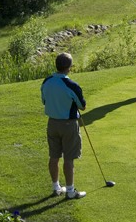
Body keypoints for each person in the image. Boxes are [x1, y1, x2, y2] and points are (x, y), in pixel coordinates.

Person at [41, 53, 87, 199]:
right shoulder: (72, 85)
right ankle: (70, 191)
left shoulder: (47, 81)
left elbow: (44, 101)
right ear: (69, 67)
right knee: (69, 158)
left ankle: (56, 187)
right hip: (68, 125)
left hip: (52, 123)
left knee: (53, 157)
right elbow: (82, 106)